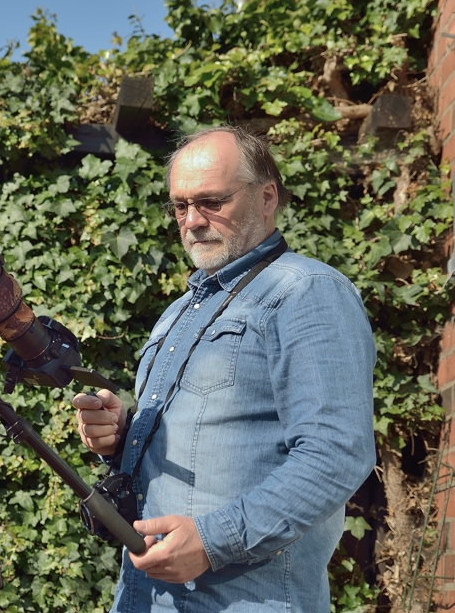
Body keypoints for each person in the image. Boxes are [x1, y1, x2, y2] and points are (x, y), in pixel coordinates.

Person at [73, 127, 376, 612]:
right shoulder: (176, 313)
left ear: (267, 196)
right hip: (143, 597)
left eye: (212, 201)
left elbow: (337, 452)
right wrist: (122, 436)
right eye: (179, 206)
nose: (192, 221)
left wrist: (213, 540)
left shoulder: (307, 292)